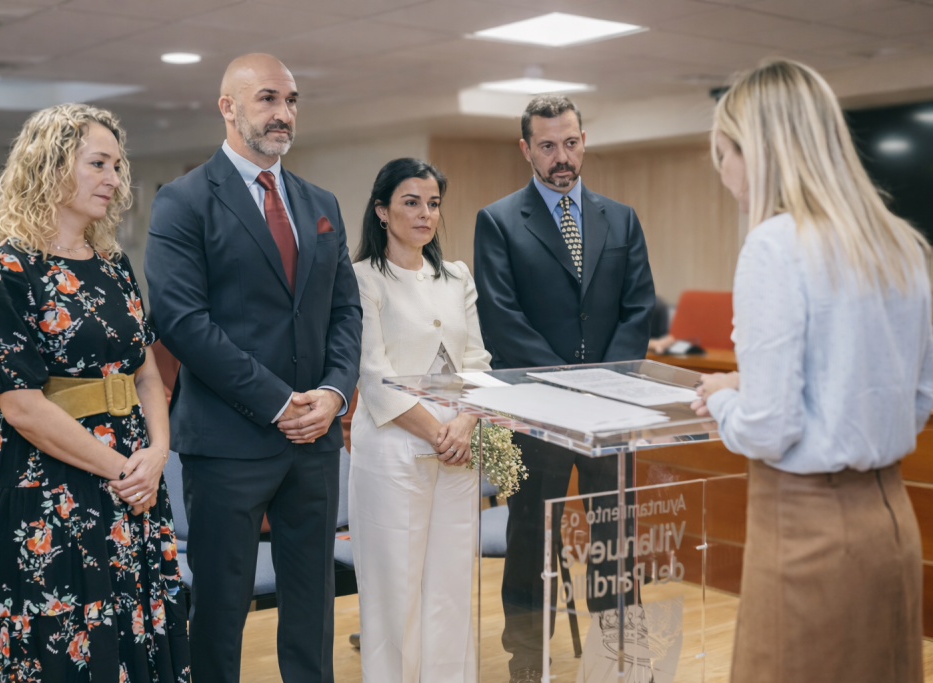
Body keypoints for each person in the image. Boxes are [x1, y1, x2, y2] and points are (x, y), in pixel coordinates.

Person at [692, 59, 930, 683]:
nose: (725, 177)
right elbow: (913, 397)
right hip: (891, 523)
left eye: (723, 154)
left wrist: (720, 398)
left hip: (806, 534)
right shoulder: (901, 243)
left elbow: (771, 429)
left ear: (757, 150)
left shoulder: (774, 245)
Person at [144, 53, 362, 683]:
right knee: (219, 607)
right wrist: (278, 401)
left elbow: (344, 312)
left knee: (312, 605)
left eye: (291, 101)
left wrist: (330, 394)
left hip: (316, 442)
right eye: (268, 99)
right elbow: (182, 322)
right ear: (228, 107)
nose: (283, 114)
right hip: (228, 444)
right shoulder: (182, 202)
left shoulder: (319, 203)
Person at [0, 104, 189, 680]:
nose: (115, 179)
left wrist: (157, 453)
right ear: (50, 166)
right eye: (99, 163)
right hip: (47, 485)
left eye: (118, 165)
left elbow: (146, 374)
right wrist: (122, 468)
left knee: (135, 636)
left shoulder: (113, 267)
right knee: (62, 648)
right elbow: (22, 406)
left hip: (133, 477)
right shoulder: (4, 270)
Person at [472, 94, 655, 683]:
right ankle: (528, 662)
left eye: (570, 142)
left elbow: (637, 309)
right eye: (547, 145)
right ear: (526, 148)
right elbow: (502, 320)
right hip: (536, 418)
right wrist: (565, 391)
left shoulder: (621, 218)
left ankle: (622, 660)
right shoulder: (498, 220)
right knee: (531, 543)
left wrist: (599, 390)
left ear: (584, 140)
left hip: (610, 415)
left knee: (614, 544)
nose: (562, 157)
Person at [350, 158, 491, 682]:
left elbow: (477, 362)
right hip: (393, 449)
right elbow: (374, 374)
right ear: (382, 211)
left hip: (460, 446)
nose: (425, 213)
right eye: (411, 202)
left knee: (451, 587)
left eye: (433, 203)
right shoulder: (363, 278)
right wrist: (436, 432)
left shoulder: (456, 276)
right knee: (395, 592)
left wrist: (464, 426)